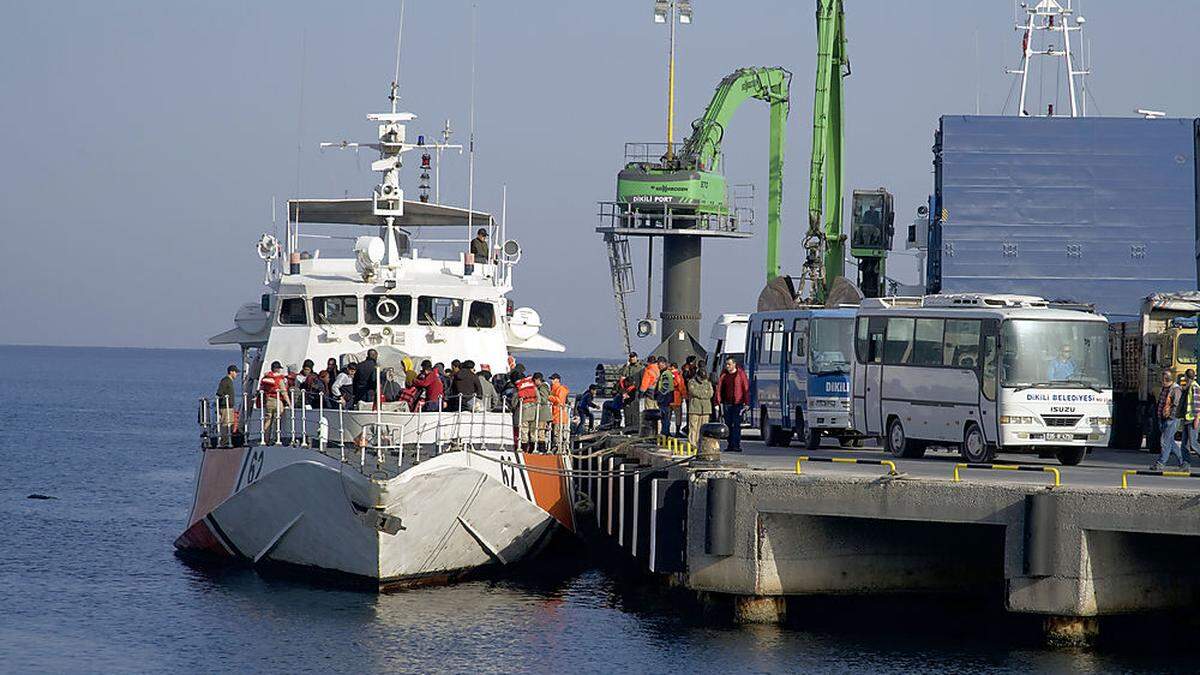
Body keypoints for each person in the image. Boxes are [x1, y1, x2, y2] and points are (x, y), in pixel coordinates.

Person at [715, 356, 749, 452]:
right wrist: (717, 402)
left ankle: (736, 445)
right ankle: (730, 445)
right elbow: (719, 389)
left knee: (736, 425)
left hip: (738, 403)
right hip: (727, 403)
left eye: (729, 364)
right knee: (728, 425)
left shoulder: (740, 374)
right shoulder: (724, 375)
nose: (727, 366)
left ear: (734, 364)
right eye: (726, 364)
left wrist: (746, 403)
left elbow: (745, 388)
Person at [1152, 371, 1183, 471]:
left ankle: (1161, 463)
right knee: (1170, 442)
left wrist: (1170, 416)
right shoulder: (1165, 389)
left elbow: (1176, 405)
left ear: (1166, 379)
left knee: (1165, 441)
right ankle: (1183, 462)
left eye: (1162, 378)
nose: (1160, 380)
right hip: (1163, 418)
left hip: (1171, 419)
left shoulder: (1176, 389)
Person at [259, 361, 291, 443]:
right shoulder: (279, 379)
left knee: (268, 419)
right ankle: (276, 438)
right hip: (277, 400)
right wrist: (289, 403)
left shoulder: (266, 377)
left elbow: (261, 388)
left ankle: (265, 439)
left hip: (268, 400)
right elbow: (283, 392)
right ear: (277, 369)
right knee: (277, 419)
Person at [686, 370, 714, 448]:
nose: (702, 380)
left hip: (705, 409)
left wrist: (701, 394)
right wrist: (704, 393)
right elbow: (693, 392)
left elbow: (710, 393)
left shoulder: (708, 382)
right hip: (695, 408)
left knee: (703, 428)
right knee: (693, 427)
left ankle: (701, 443)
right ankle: (692, 444)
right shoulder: (692, 382)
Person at [216, 365, 239, 446]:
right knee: (226, 424)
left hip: (229, 407)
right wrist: (225, 400)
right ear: (231, 372)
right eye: (235, 372)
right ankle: (224, 442)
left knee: (230, 424)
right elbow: (219, 392)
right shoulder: (225, 381)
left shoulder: (229, 381)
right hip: (225, 407)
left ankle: (226, 441)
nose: (236, 374)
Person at [1181, 369, 1200, 472]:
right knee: (1184, 444)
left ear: (1186, 376)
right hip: (1187, 419)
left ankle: (1185, 465)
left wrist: (1197, 418)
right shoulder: (1189, 387)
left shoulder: (1195, 387)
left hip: (1192, 419)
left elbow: (1198, 404)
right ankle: (1185, 465)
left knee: (1193, 444)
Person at [656, 359, 677, 435]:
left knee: (665, 418)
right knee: (666, 418)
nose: (658, 366)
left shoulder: (665, 373)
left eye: (659, 364)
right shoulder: (667, 372)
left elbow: (665, 386)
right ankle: (665, 432)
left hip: (665, 399)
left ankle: (665, 433)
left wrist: (659, 396)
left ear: (663, 364)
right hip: (667, 398)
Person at [549, 373, 570, 448]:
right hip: (555, 415)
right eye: (551, 379)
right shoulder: (554, 389)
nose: (551, 381)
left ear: (557, 380)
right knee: (555, 433)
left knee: (557, 433)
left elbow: (559, 401)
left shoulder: (560, 389)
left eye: (553, 379)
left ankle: (558, 447)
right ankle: (556, 446)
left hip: (559, 416)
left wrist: (549, 397)